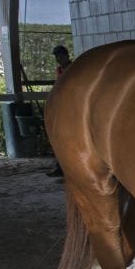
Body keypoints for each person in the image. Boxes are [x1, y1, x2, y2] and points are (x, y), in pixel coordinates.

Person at [47, 45, 74, 178]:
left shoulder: (73, 68)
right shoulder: (58, 70)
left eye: (60, 56)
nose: (58, 58)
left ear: (66, 56)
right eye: (57, 56)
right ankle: (60, 165)